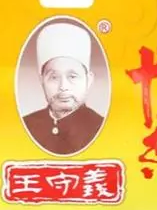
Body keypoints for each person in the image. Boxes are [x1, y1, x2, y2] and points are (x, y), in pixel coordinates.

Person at [22, 22, 104, 155]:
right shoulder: (26, 125)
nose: (63, 87)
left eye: (72, 76)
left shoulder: (101, 127)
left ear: (88, 80)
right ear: (41, 80)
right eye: (54, 77)